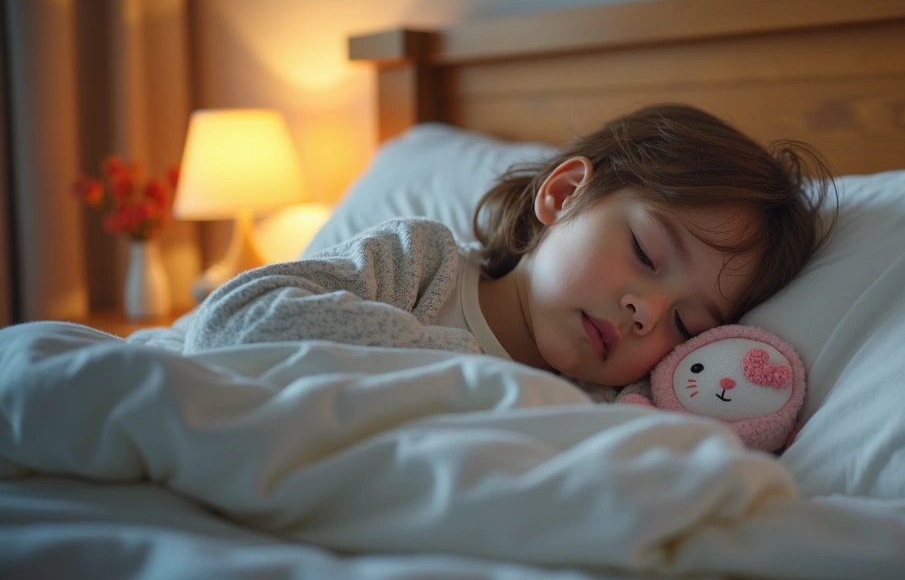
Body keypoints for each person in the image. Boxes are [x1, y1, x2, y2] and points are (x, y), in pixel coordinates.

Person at [183, 104, 834, 399]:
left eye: (687, 323)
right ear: (564, 194)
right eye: (644, 251)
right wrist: (474, 372)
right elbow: (233, 323)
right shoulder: (421, 263)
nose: (646, 312)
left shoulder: (601, 406)